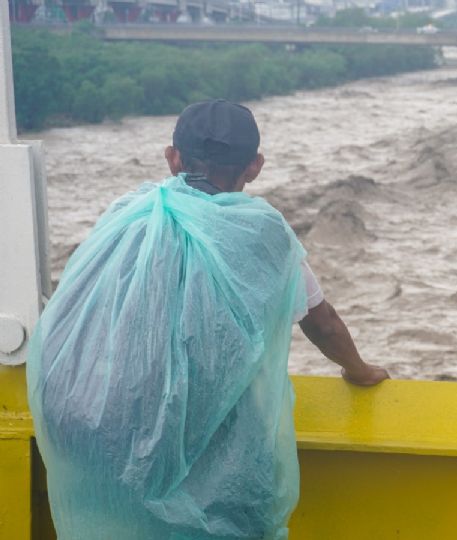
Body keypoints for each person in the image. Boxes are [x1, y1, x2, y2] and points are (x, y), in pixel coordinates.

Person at [28, 100, 388, 540]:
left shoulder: (128, 213)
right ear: (254, 166)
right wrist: (361, 371)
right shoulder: (259, 232)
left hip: (92, 438)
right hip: (206, 456)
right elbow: (321, 322)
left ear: (172, 157)